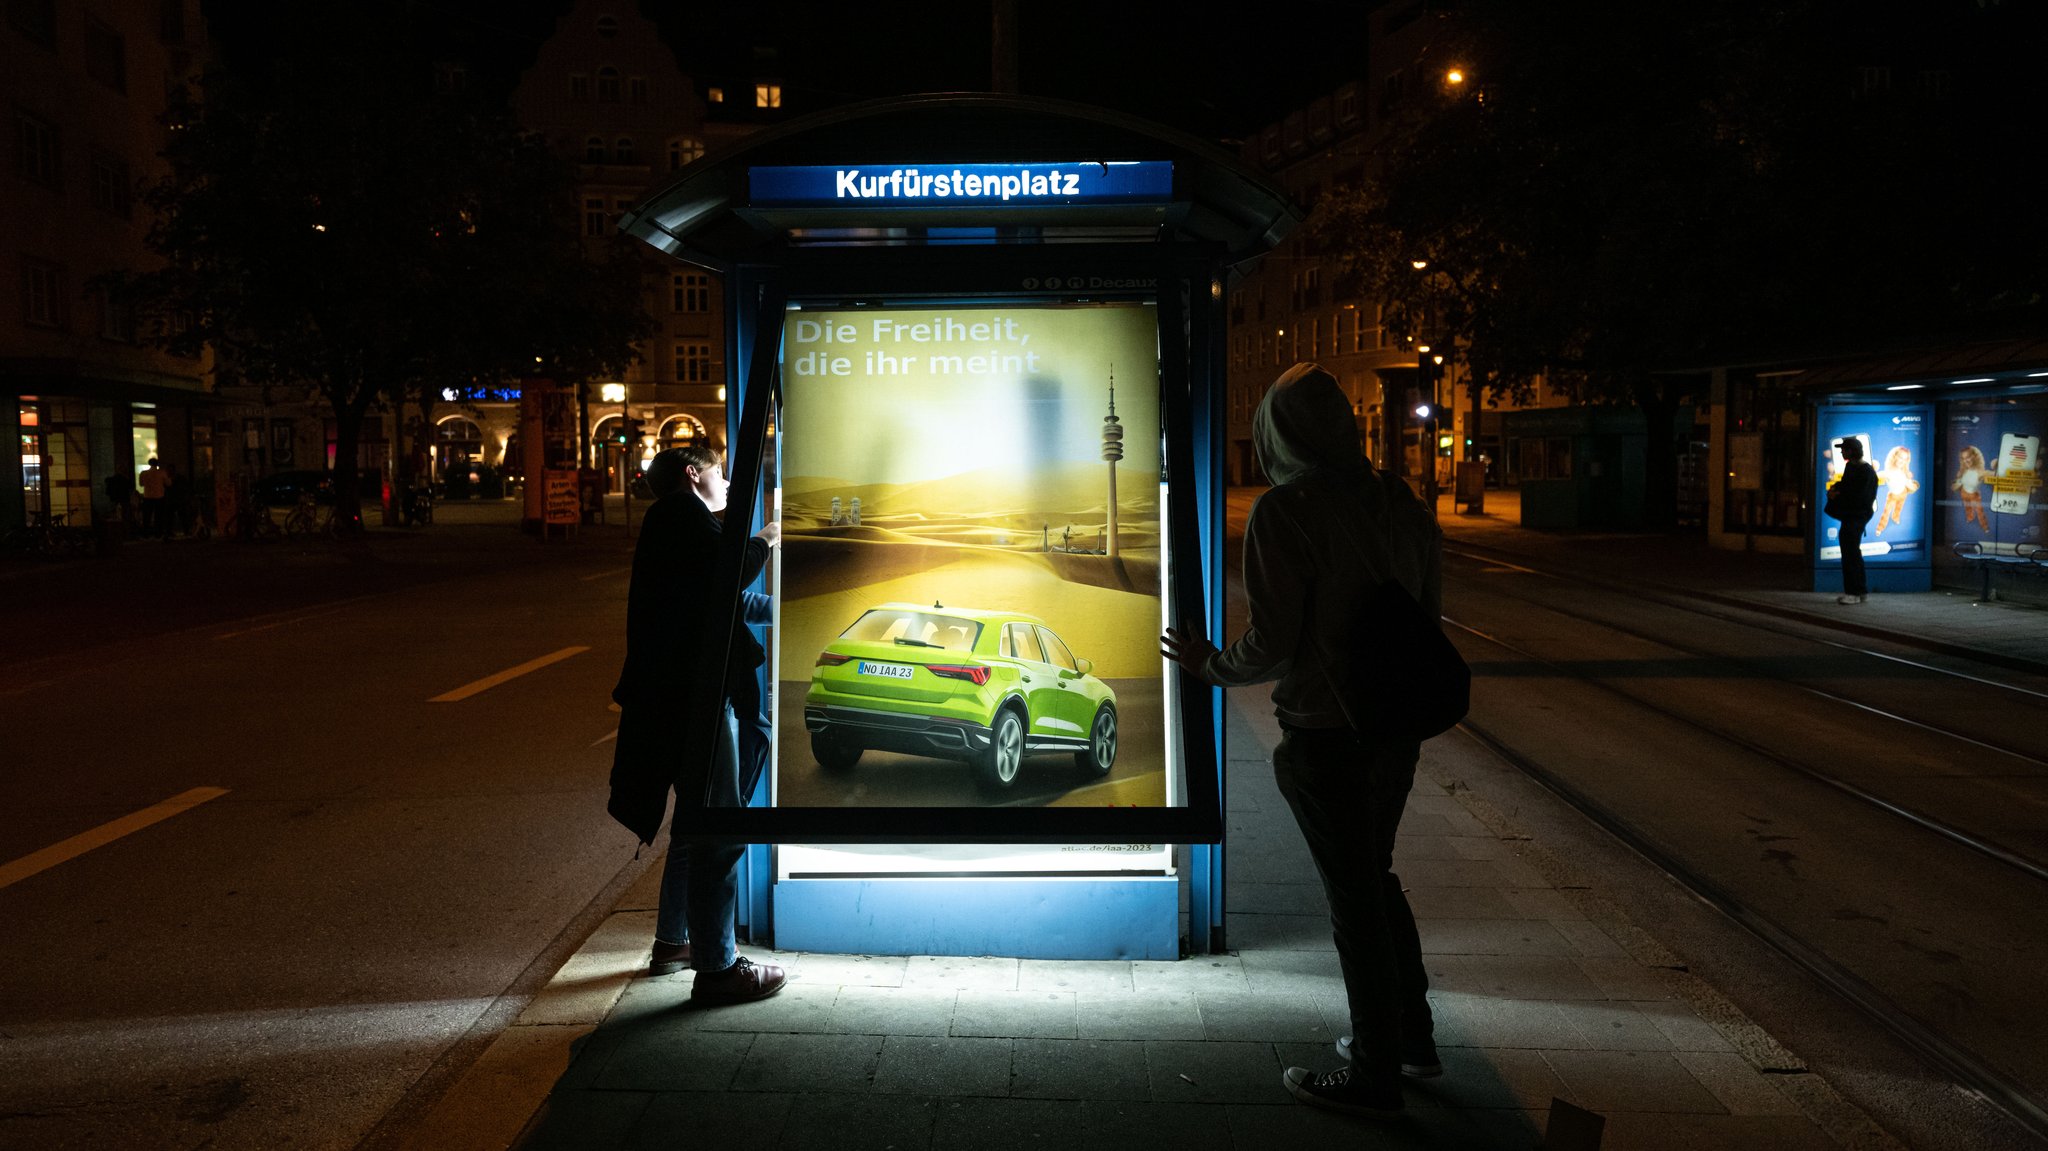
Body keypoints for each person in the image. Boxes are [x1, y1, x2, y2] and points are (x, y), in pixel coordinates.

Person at [1161, 362, 1441, 1121]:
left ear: (1277, 436)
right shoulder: (1402, 505)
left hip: (1325, 735)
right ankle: (1411, 1034)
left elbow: (1274, 642)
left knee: (1353, 897)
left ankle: (1375, 1073)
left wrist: (1210, 665)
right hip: (1396, 727)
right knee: (1374, 874)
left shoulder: (1287, 513)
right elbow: (1428, 621)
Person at [607, 444, 785, 1004]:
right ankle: (717, 968)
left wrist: (785, 606)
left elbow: (718, 598)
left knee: (693, 824)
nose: (728, 483)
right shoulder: (681, 515)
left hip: (678, 700)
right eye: (719, 471)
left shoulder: (676, 525)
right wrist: (769, 537)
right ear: (693, 474)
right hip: (699, 701)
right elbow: (729, 570)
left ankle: (672, 941)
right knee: (719, 830)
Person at [1828, 437, 1878, 605]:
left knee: (1850, 554)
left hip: (1856, 516)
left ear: (1851, 450)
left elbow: (1859, 496)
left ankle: (1853, 592)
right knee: (1853, 553)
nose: (1842, 452)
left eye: (1844, 449)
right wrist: (1835, 489)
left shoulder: (1865, 471)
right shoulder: (1852, 467)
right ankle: (1860, 590)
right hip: (1851, 516)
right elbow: (1845, 486)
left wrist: (1838, 495)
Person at [1874, 445, 1918, 536]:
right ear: (1894, 456)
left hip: (1903, 493)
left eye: (1905, 459)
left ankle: (1895, 518)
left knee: (1899, 508)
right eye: (1900, 457)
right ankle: (1880, 528)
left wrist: (1910, 482)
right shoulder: (1888, 472)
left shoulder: (1904, 471)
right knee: (1886, 512)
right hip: (1893, 495)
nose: (1902, 461)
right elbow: (1879, 475)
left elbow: (1907, 479)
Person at [1953, 445, 1990, 534]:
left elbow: (1992, 474)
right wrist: (1957, 483)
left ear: (1975, 456)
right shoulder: (1963, 471)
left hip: (1974, 494)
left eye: (1968, 457)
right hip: (1964, 492)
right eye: (1964, 458)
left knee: (1980, 511)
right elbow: (1957, 481)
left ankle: (1985, 527)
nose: (1966, 460)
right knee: (1968, 507)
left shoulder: (1980, 472)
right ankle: (1970, 518)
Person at [138, 458, 170, 537]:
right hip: (159, 496)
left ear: (149, 464)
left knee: (147, 516)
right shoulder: (162, 473)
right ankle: (158, 533)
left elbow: (141, 484)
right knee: (158, 516)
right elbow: (168, 484)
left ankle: (146, 534)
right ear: (157, 464)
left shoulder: (143, 473)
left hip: (147, 496)